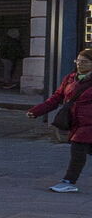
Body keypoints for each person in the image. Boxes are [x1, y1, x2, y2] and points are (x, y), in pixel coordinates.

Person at [26, 48, 92, 193]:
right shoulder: (70, 78)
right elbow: (56, 98)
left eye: (85, 62)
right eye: (78, 61)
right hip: (76, 122)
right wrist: (36, 111)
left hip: (88, 124)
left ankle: (68, 181)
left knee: (78, 151)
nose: (80, 64)